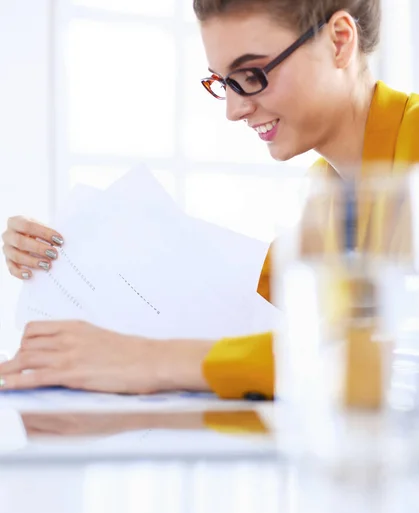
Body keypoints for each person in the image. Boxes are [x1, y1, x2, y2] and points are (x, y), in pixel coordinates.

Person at [0, 0, 418, 398]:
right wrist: (62, 260)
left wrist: (148, 361)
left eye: (252, 74)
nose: (234, 110)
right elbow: (240, 318)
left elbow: (378, 360)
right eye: (222, 83)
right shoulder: (324, 200)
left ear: (339, 41)